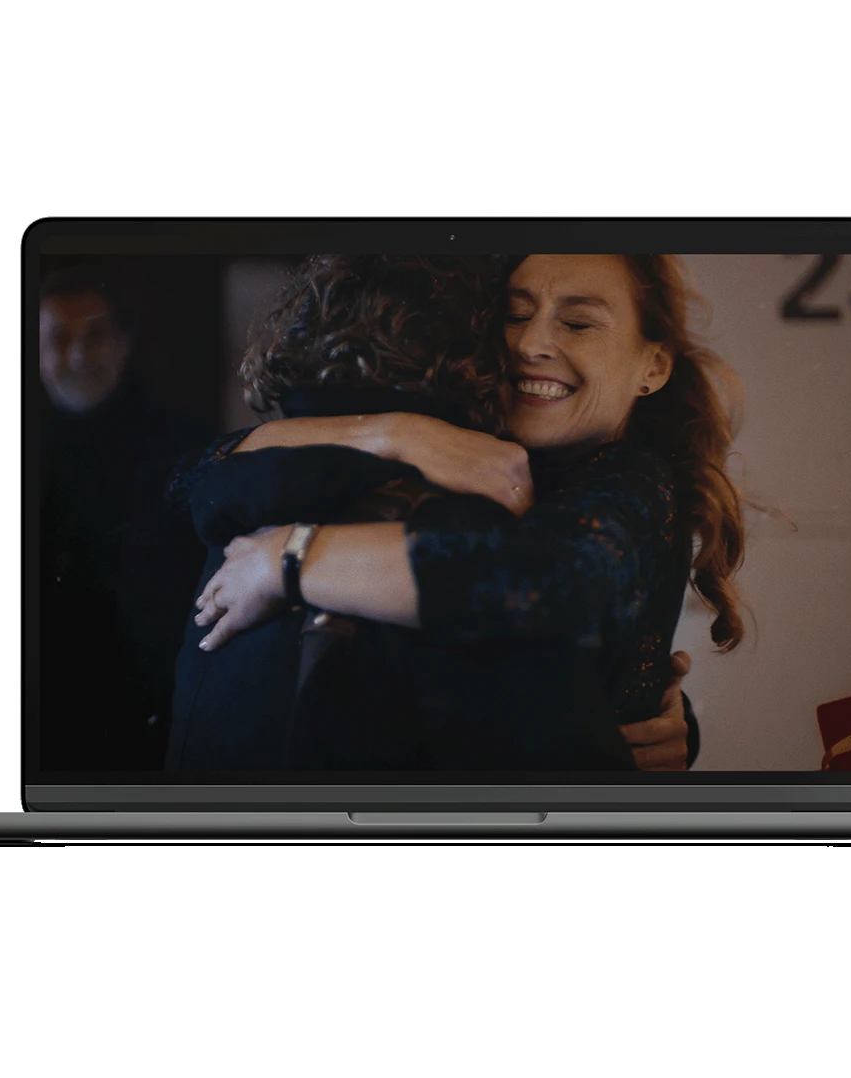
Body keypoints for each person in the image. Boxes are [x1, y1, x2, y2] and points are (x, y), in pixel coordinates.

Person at [194, 254, 746, 769]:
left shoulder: (636, 478)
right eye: (515, 316)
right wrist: (397, 434)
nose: (531, 343)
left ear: (653, 366)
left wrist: (288, 559)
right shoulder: (490, 461)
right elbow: (197, 474)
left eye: (578, 324)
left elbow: (542, 580)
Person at [37, 262, 210, 769]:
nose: (77, 356)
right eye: (58, 339)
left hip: (151, 723)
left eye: (95, 336)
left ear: (124, 343)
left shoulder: (184, 450)